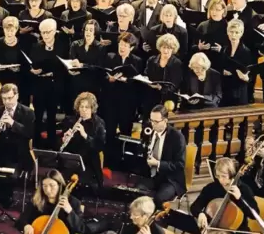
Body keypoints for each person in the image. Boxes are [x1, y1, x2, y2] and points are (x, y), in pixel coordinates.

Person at [190, 157, 259, 234]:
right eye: (217, 176)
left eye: (224, 176)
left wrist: (240, 198)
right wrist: (201, 213)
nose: (220, 180)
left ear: (232, 174)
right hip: (214, 230)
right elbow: (194, 206)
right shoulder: (212, 188)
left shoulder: (243, 189)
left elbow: (255, 214)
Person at [11, 169, 85, 234]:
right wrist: (26, 226)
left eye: (52, 185)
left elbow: (81, 228)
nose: (48, 190)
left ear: (60, 185)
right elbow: (20, 221)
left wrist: (69, 210)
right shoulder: (37, 201)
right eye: (44, 186)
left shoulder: (73, 203)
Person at [0, 84, 35, 207]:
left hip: (18, 154)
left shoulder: (28, 113)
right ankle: (3, 197)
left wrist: (13, 123)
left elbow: (30, 133)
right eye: (4, 99)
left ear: (17, 96)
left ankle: (2, 198)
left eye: (10, 98)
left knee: (9, 174)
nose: (7, 102)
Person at [102, 32, 143, 168]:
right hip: (111, 101)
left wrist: (127, 80)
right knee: (110, 131)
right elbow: (103, 75)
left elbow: (139, 82)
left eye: (125, 45)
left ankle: (125, 162)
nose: (122, 47)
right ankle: (109, 161)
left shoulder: (137, 61)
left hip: (127, 102)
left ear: (131, 47)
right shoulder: (110, 57)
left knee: (126, 131)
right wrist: (110, 79)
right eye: (120, 44)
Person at [137, 105, 186, 208]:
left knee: (159, 199)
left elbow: (180, 164)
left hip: (170, 180)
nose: (152, 124)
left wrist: (158, 163)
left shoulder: (177, 137)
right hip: (152, 176)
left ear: (165, 121)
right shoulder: (148, 130)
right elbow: (143, 150)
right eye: (151, 120)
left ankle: (156, 222)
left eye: (156, 122)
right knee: (137, 192)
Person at [30, 19, 69, 149]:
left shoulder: (62, 46)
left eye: (48, 32)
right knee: (38, 116)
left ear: (54, 31)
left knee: (52, 116)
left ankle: (52, 144)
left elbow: (64, 66)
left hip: (54, 85)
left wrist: (53, 72)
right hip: (39, 85)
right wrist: (33, 70)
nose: (45, 35)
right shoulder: (36, 46)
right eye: (43, 32)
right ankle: (37, 144)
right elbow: (32, 63)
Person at [61, 92, 106, 188]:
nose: (84, 110)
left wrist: (85, 135)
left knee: (82, 183)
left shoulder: (99, 123)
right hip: (72, 160)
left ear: (92, 109)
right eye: (81, 107)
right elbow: (62, 148)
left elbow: (99, 146)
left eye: (87, 107)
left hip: (89, 162)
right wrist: (64, 139)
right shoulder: (70, 121)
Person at [143, 34, 183, 116]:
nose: (166, 51)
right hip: (151, 97)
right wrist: (146, 80)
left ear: (173, 49)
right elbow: (146, 74)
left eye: (169, 48)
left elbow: (175, 84)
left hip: (168, 100)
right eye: (164, 47)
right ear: (159, 48)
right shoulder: (151, 60)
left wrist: (161, 88)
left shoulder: (177, 63)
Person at [216, 19, 252, 106]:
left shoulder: (246, 51)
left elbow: (250, 73)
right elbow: (219, 66)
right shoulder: (224, 49)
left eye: (236, 32)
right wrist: (223, 71)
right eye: (231, 32)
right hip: (225, 88)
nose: (233, 35)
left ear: (241, 33)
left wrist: (245, 77)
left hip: (239, 90)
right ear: (227, 32)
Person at [68, 20, 106, 101]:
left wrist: (82, 65)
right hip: (77, 81)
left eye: (91, 30)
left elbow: (99, 67)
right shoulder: (75, 44)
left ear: (95, 32)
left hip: (92, 82)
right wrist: (70, 70)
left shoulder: (100, 47)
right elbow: (70, 62)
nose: (88, 32)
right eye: (86, 29)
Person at [192, 0, 229, 69]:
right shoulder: (202, 25)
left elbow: (232, 48)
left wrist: (222, 49)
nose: (214, 12)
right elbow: (192, 46)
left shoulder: (228, 27)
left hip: (220, 63)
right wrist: (199, 47)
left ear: (223, 10)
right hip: (203, 63)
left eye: (217, 10)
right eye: (212, 9)